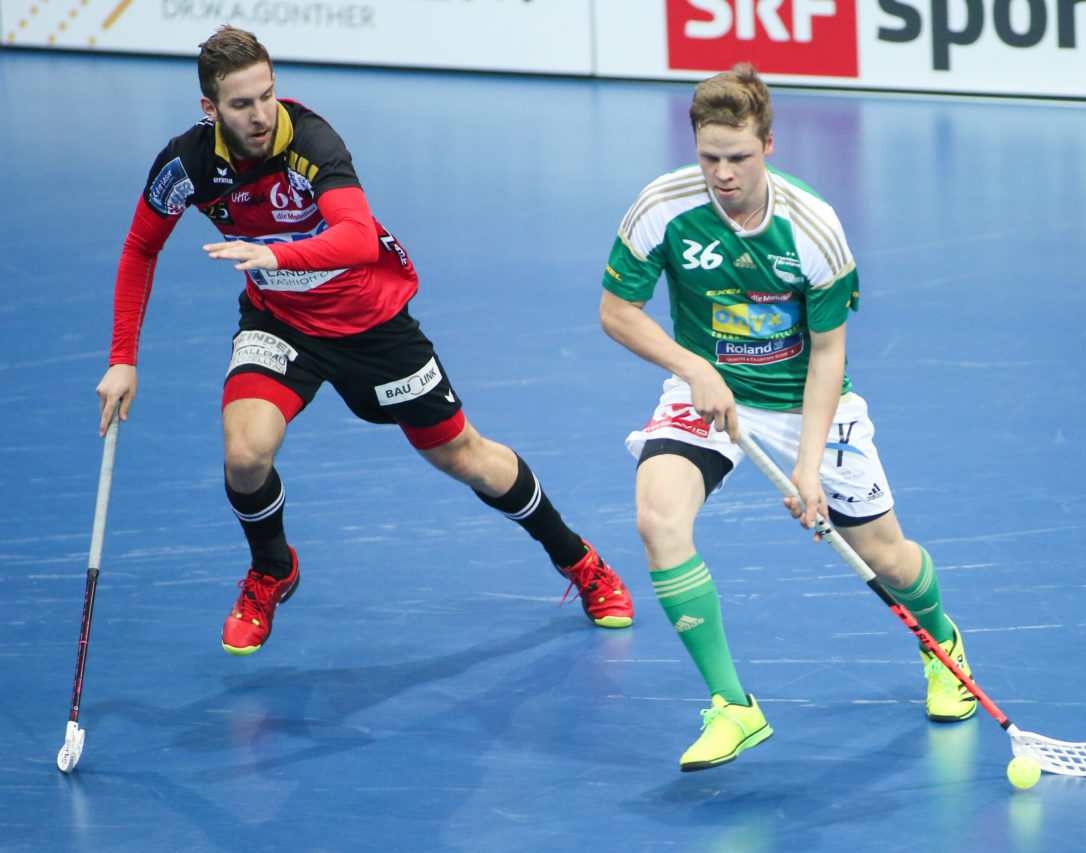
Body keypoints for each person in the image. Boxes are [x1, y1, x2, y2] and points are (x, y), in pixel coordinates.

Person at [95, 25, 632, 656]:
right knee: (244, 454)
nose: (261, 114)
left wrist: (273, 255)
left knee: (463, 456)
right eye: (242, 104)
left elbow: (355, 238)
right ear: (210, 109)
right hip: (280, 323)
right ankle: (272, 569)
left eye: (267, 95)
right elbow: (140, 247)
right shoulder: (186, 165)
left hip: (372, 324)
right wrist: (123, 359)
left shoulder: (310, 141)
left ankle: (578, 559)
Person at [598, 63, 975, 772]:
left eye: (738, 157)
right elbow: (617, 312)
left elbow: (829, 354)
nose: (723, 173)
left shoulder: (813, 228)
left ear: (768, 144)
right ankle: (733, 705)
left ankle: (942, 643)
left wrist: (807, 468)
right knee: (657, 518)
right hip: (707, 390)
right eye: (709, 156)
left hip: (805, 401)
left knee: (887, 556)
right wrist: (693, 368)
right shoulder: (662, 206)